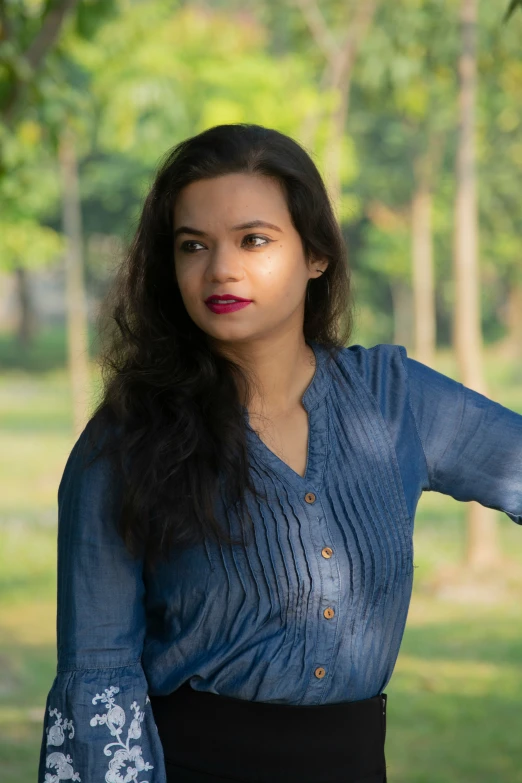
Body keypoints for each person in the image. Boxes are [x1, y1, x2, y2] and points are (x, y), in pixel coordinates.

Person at [37, 123, 522, 783]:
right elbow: (98, 679)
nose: (220, 269)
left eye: (253, 239)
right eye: (193, 246)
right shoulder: (123, 443)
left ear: (315, 254)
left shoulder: (394, 399)